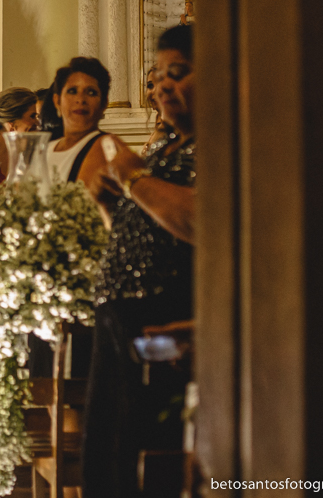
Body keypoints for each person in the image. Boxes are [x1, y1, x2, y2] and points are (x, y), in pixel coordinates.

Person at [81, 25, 196, 498]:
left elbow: (199, 221)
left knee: (142, 458)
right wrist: (112, 205)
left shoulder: (220, 145)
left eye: (179, 73)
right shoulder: (165, 148)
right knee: (109, 455)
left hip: (164, 327)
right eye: (156, 77)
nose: (162, 85)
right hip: (119, 322)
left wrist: (131, 178)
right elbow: (141, 233)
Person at [46, 57, 112, 189]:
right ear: (57, 101)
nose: (80, 100)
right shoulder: (44, 150)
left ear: (104, 103)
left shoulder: (108, 148)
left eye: (91, 92)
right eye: (72, 91)